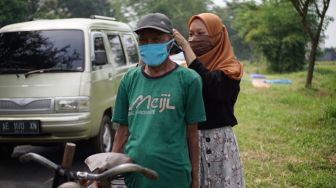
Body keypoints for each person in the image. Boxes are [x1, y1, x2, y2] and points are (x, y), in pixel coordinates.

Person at [111, 13, 206, 188]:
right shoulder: (129, 80)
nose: (149, 44)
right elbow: (122, 131)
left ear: (170, 41)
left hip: (174, 174)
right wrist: (107, 169)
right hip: (135, 173)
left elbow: (192, 133)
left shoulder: (189, 80)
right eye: (143, 40)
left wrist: (195, 176)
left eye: (156, 39)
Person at [173, 13, 245, 188]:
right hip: (189, 140)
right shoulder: (185, 70)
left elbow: (209, 85)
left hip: (218, 143)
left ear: (217, 36)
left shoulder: (231, 68)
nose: (194, 39)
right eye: (190, 34)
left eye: (201, 34)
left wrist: (185, 47)